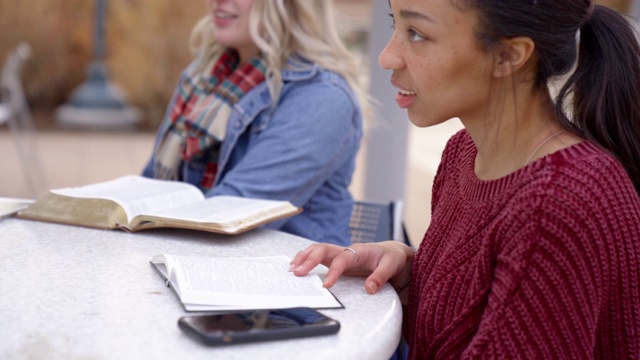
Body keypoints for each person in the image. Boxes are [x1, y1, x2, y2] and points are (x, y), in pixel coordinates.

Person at [291, 0, 640, 358]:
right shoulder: (464, 153)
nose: (387, 57)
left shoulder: (559, 202)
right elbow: (455, 334)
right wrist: (408, 273)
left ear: (509, 55)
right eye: (396, 24)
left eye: (416, 34)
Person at [142, 0, 369, 246]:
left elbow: (233, 214)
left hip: (286, 275)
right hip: (193, 258)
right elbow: (151, 185)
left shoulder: (322, 98)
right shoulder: (200, 78)